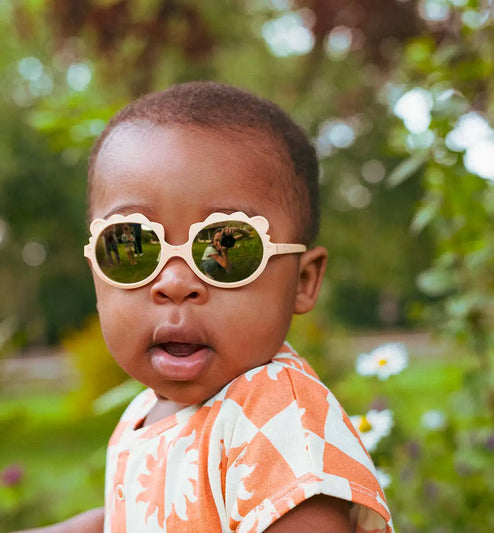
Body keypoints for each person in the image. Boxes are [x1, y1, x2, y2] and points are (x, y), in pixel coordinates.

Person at [15, 82, 393, 532]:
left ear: (303, 281)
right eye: (131, 246)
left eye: (228, 248)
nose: (174, 284)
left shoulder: (279, 420)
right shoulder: (145, 410)